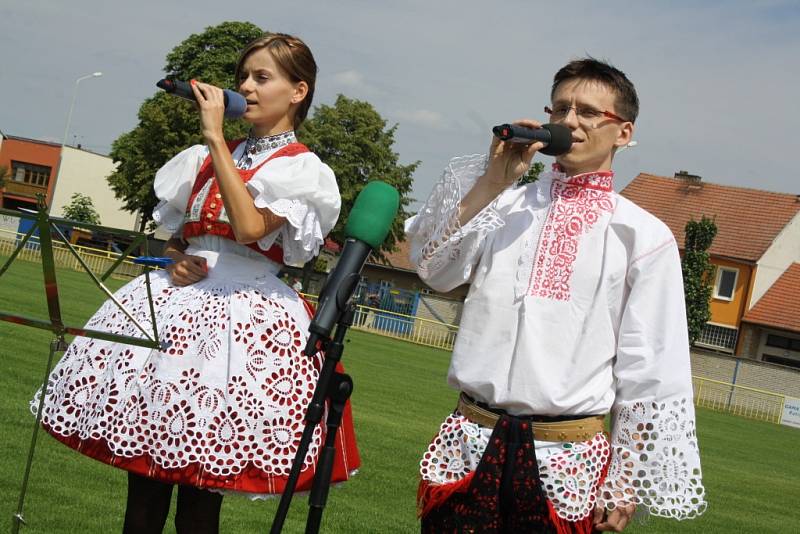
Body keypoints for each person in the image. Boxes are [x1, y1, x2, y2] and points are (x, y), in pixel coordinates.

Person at [32, 33, 359, 534]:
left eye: (262, 78)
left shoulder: (302, 169)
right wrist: (175, 259)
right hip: (177, 312)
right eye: (243, 77)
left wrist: (213, 138)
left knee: (200, 495)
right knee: (144, 484)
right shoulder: (201, 158)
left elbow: (250, 229)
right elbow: (180, 238)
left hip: (242, 322)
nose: (246, 87)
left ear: (298, 91)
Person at [406, 58, 706, 533]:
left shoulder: (642, 235)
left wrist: (624, 479)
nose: (569, 122)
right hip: (471, 440)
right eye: (560, 108)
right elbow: (434, 271)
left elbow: (650, 365)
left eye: (588, 112)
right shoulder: (503, 203)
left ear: (623, 133)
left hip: (565, 457)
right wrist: (493, 179)